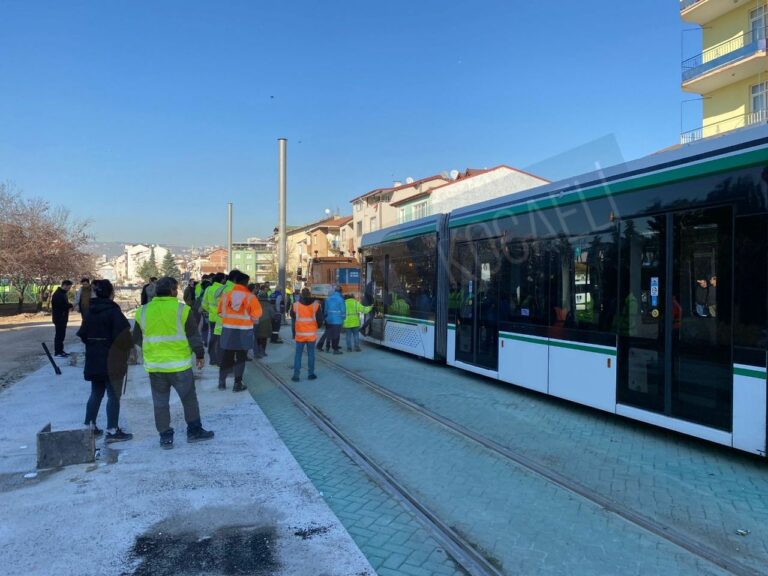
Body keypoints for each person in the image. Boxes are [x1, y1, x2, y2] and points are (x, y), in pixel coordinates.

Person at [132, 276, 213, 449]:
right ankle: (194, 431)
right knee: (189, 399)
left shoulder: (143, 311)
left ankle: (165, 437)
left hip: (155, 366)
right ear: (173, 291)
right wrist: (199, 354)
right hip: (180, 365)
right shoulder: (182, 310)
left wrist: (152, 349)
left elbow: (137, 338)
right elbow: (193, 336)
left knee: (160, 402)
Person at [77, 280, 133, 443]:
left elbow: (83, 335)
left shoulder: (89, 311)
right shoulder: (113, 312)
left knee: (96, 392)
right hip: (112, 360)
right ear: (111, 293)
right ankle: (112, 430)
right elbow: (124, 337)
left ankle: (89, 426)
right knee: (113, 395)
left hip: (94, 357)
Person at [217, 271, 262, 392]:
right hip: (244, 331)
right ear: (246, 282)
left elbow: (220, 312)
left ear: (236, 282)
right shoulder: (251, 297)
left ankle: (222, 382)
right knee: (241, 358)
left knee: (227, 356)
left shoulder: (226, 295)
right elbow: (257, 314)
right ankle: (237, 383)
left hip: (228, 331)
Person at [290, 287, 323, 381]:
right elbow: (320, 320)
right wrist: (317, 327)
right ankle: (311, 374)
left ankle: (296, 376)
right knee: (311, 354)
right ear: (309, 294)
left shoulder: (295, 305)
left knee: (298, 355)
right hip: (311, 334)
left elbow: (292, 315)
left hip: (300, 334)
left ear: (301, 295)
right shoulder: (316, 305)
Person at [202, 272, 226, 366]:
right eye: (224, 278)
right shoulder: (224, 290)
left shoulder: (208, 289)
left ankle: (212, 359)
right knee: (221, 340)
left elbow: (204, 304)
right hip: (222, 319)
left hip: (212, 318)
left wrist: (211, 311)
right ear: (222, 280)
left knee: (212, 338)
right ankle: (220, 360)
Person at [51, 280, 74, 357]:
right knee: (59, 335)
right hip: (59, 318)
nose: (69, 289)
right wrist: (69, 306)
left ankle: (61, 350)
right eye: (69, 287)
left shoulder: (62, 294)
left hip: (63, 318)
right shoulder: (58, 294)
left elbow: (64, 304)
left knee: (61, 335)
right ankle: (58, 352)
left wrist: (69, 305)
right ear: (65, 285)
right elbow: (60, 306)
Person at [323, 286, 346, 354]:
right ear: (340, 291)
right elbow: (343, 310)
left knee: (329, 334)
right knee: (336, 335)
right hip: (337, 320)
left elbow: (325, 310)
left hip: (329, 320)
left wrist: (326, 318)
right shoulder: (341, 299)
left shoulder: (328, 299)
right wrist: (343, 319)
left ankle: (327, 347)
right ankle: (335, 349)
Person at [255, 287, 274, 359]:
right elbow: (273, 315)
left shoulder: (256, 303)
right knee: (264, 339)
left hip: (257, 323)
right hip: (266, 323)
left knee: (258, 338)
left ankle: (258, 351)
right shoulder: (269, 304)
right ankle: (263, 351)